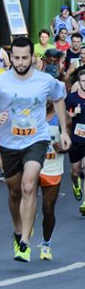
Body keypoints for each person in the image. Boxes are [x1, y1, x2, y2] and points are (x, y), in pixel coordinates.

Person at [0, 36, 70, 263]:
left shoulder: (45, 81)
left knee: (29, 185)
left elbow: (59, 98)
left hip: (36, 140)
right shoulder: (0, 83)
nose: (20, 62)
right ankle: (18, 229)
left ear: (33, 58)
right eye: (16, 58)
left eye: (24, 58)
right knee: (14, 192)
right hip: (10, 144)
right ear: (10, 57)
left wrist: (64, 131)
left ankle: (25, 242)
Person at [38, 101, 64, 260]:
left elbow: (69, 145)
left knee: (48, 210)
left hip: (52, 168)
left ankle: (46, 244)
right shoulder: (31, 114)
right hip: (32, 164)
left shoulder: (62, 118)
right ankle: (23, 232)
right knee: (26, 198)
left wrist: (61, 147)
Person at [65, 68, 85, 217]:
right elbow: (65, 118)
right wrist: (72, 114)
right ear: (79, 82)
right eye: (83, 81)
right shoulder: (71, 98)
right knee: (75, 171)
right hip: (76, 139)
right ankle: (76, 184)